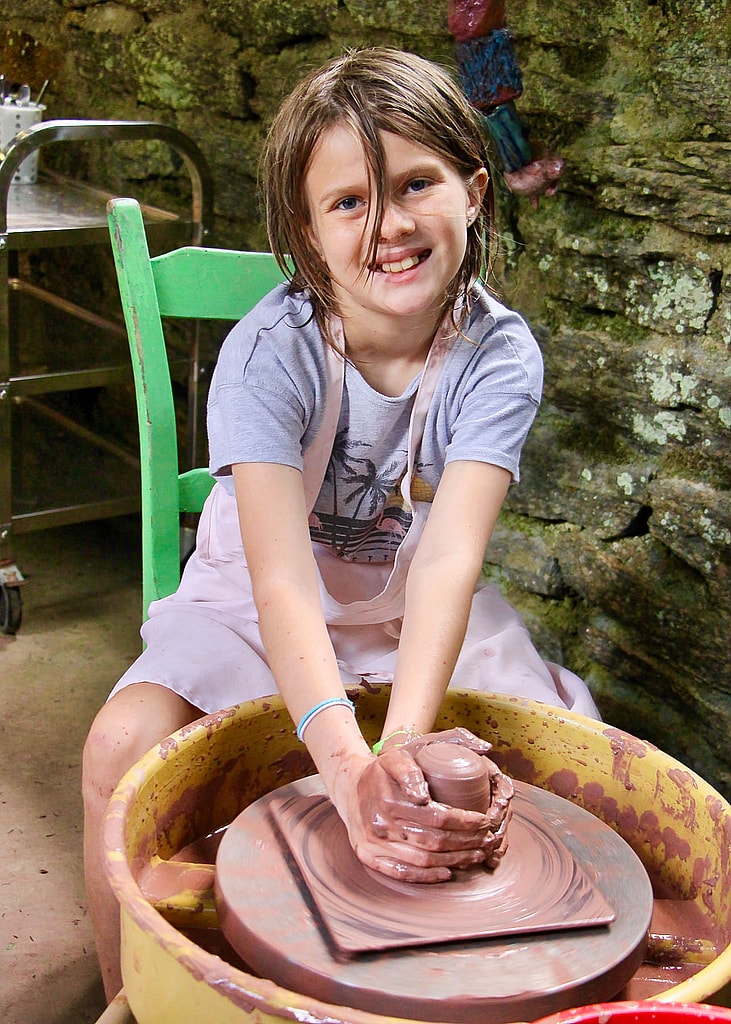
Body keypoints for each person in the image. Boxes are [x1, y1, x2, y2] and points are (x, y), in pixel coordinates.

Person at [82, 46, 599, 1000]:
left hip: (411, 611)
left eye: (416, 184)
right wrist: (344, 764)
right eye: (349, 202)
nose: (389, 226)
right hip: (255, 600)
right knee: (119, 748)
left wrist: (398, 749)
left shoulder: (497, 358)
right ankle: (131, 996)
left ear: (474, 190)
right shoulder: (268, 354)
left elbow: (447, 559)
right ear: (307, 234)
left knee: (573, 755)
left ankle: (509, 979)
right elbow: (279, 582)